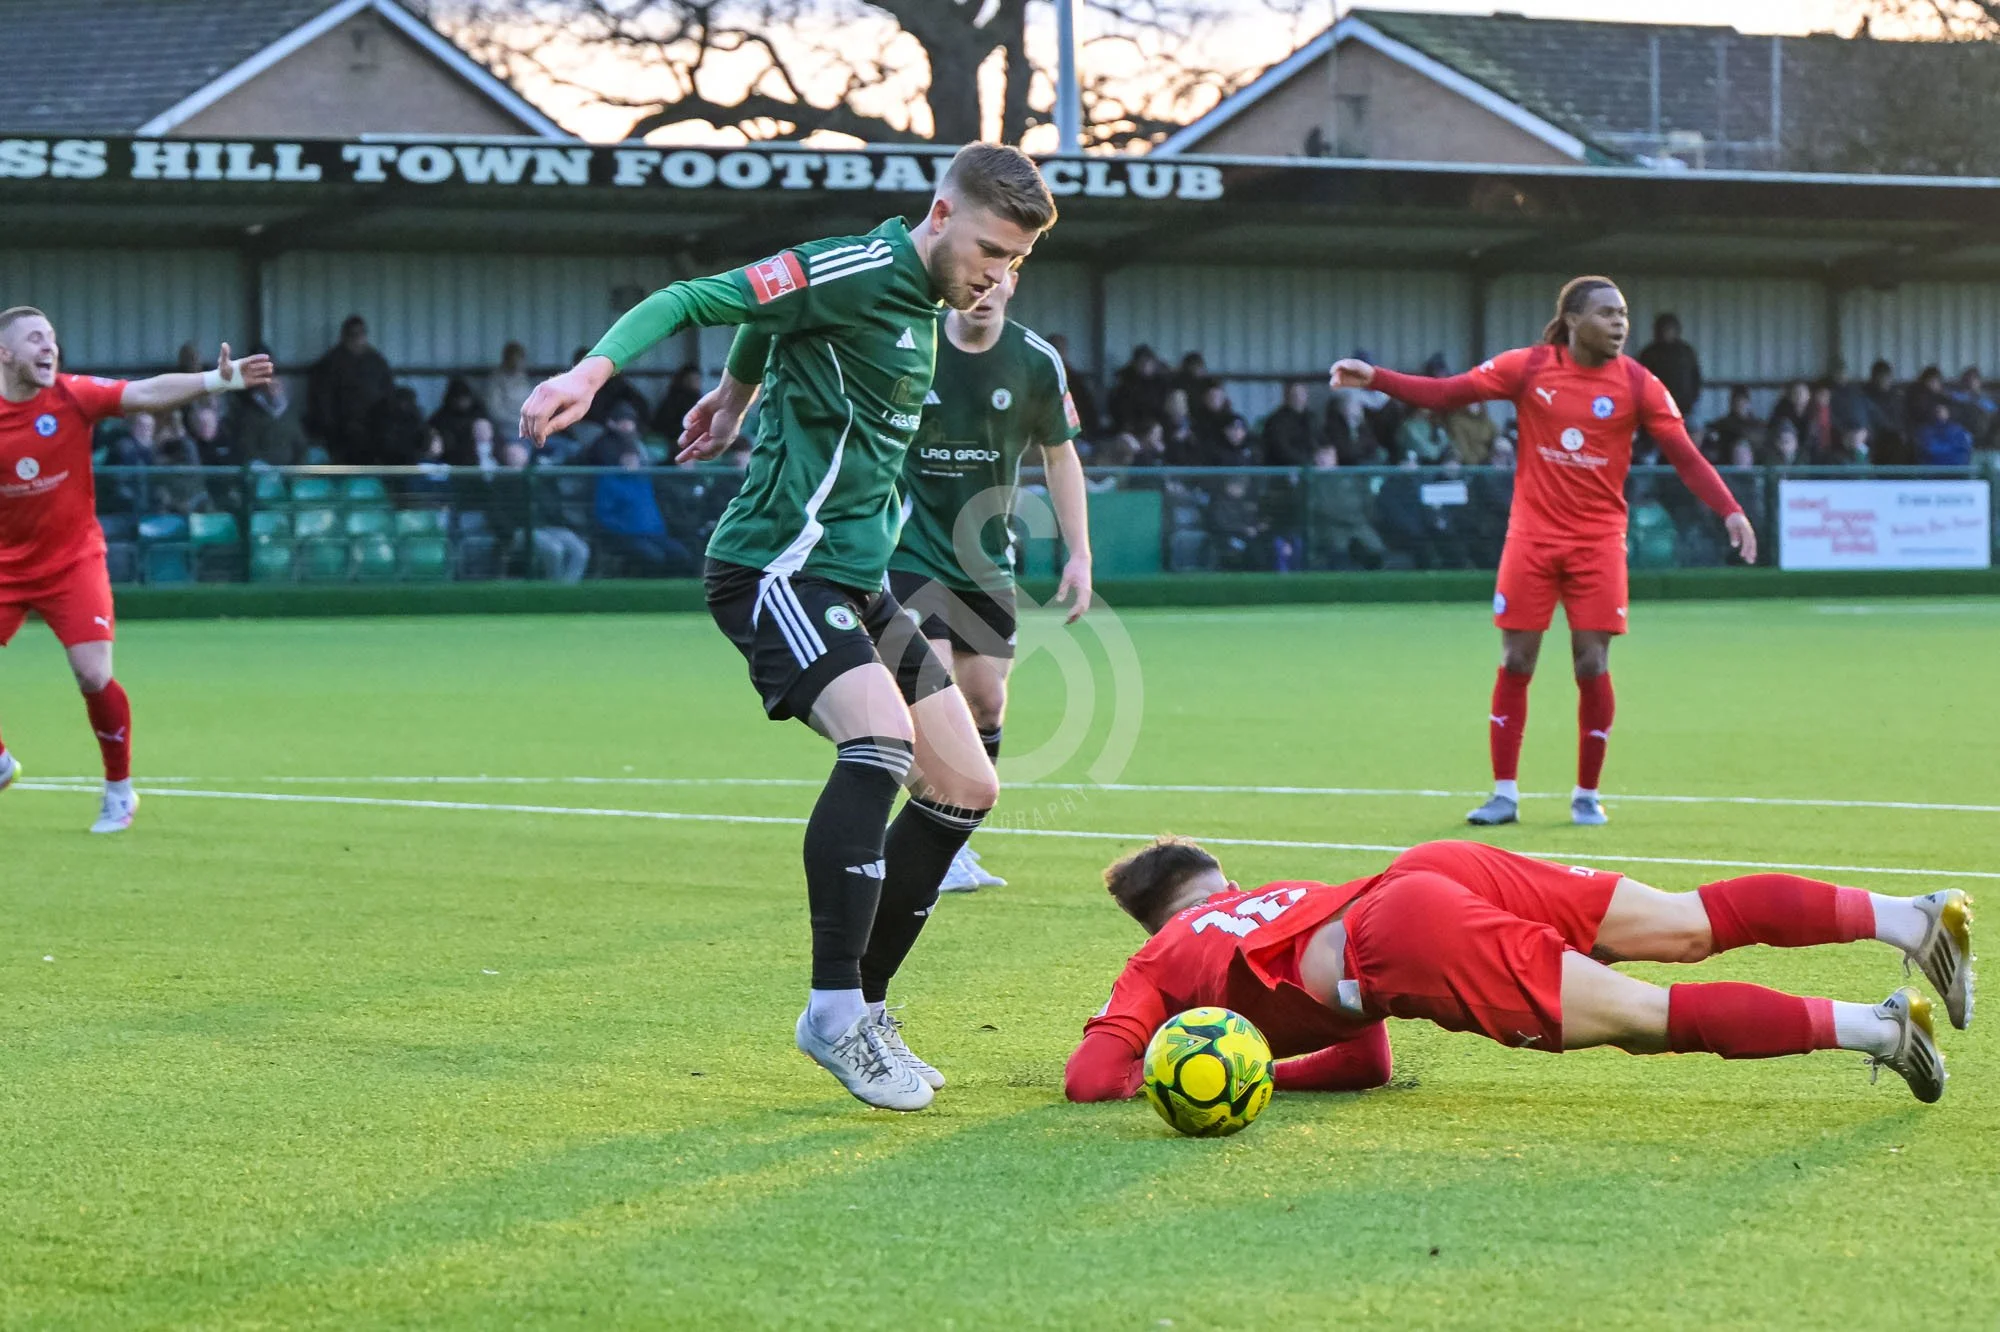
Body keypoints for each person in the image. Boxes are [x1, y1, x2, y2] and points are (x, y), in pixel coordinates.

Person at [519, 142, 1057, 1113]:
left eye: (1014, 261)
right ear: (940, 214)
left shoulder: (925, 303)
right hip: (777, 568)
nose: (995, 275)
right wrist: (590, 375)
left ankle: (868, 1008)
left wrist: (735, 398)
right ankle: (832, 1010)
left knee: (965, 785)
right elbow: (698, 297)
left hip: (856, 582)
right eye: (988, 249)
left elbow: (773, 325)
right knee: (879, 743)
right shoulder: (854, 268)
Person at [1064, 837, 1971, 1106]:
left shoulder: (1157, 959)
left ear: (1156, 917)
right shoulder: (1269, 899)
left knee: (1648, 1017)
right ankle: (1909, 916)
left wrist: (1200, 1068)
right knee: (1689, 923)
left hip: (1399, 938)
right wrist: (1273, 1069)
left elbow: (1091, 1078)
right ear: (1219, 887)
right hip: (1424, 871)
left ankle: (1882, 1029)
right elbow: (1367, 1059)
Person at [1331, 277, 1755, 828]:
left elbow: (1686, 456)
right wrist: (1376, 378)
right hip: (1531, 538)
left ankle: (1587, 795)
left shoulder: (1639, 383)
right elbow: (1447, 393)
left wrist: (1730, 509)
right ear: (1573, 320)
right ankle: (1504, 795)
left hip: (1598, 542)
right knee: (1516, 660)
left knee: (1591, 662)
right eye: (1607, 314)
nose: (1620, 324)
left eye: (1623, 314)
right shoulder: (1528, 367)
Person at [0, 307, 272, 832]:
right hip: (5, 565)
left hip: (71, 562)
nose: (48, 346)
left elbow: (146, 393)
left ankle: (119, 791)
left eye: (51, 337)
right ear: (5, 354)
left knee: (93, 675)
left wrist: (217, 379)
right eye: (34, 338)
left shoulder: (73, 395)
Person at [886, 269, 1090, 894]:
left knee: (987, 704)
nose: (982, 291)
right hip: (909, 548)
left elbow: (1060, 455)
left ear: (1012, 284)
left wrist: (1079, 554)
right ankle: (929, 843)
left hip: (985, 560)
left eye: (994, 280)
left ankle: (954, 843)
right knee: (931, 696)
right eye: (971, 281)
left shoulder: (1035, 360)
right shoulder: (912, 343)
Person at [593, 441, 694, 575]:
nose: (631, 462)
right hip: (628, 536)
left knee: (681, 554)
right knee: (653, 556)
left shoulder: (645, 481)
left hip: (654, 534)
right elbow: (604, 515)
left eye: (634, 458)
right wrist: (622, 529)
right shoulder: (609, 482)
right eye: (627, 458)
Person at [305, 315, 393, 464]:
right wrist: (330, 428)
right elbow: (322, 400)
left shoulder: (377, 362)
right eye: (353, 334)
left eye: (361, 334)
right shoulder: (331, 363)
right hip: (341, 430)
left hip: (374, 428)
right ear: (344, 336)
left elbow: (389, 393)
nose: (357, 339)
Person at [233, 367, 306, 467]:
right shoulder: (252, 415)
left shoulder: (290, 414)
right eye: (269, 387)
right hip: (262, 470)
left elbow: (300, 444)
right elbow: (247, 446)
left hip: (289, 470)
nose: (273, 391)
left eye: (276, 386)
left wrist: (297, 468)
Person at [1635, 313, 1702, 420]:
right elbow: (1639, 380)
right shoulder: (1648, 354)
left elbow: (1696, 376)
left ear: (1676, 330)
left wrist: (1692, 399)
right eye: (1663, 329)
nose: (1666, 332)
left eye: (1669, 329)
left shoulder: (1686, 352)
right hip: (1655, 407)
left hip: (1683, 407)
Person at [1259, 380, 1323, 468]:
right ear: (1286, 396)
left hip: (1311, 468)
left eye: (1301, 394)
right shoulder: (1276, 421)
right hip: (1284, 470)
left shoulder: (1312, 418)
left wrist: (1326, 454)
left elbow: (1322, 440)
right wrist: (1309, 461)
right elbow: (1281, 450)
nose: (1298, 399)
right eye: (1294, 395)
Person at [481, 342, 536, 436]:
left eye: (520, 359)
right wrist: (519, 421)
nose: (517, 363)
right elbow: (495, 412)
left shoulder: (523, 378)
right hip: (508, 430)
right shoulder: (496, 380)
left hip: (531, 428)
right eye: (514, 359)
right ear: (506, 359)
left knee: (561, 443)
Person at [649, 363, 705, 443]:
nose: (696, 382)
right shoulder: (674, 400)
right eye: (692, 379)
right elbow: (663, 424)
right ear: (683, 380)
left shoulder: (699, 399)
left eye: (697, 379)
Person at [1917, 400, 1975, 466]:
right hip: (1932, 470)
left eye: (1941, 410)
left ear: (1948, 412)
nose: (1938, 414)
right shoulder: (1926, 431)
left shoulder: (1959, 431)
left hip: (1956, 470)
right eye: (1936, 411)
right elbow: (1929, 450)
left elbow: (1963, 452)